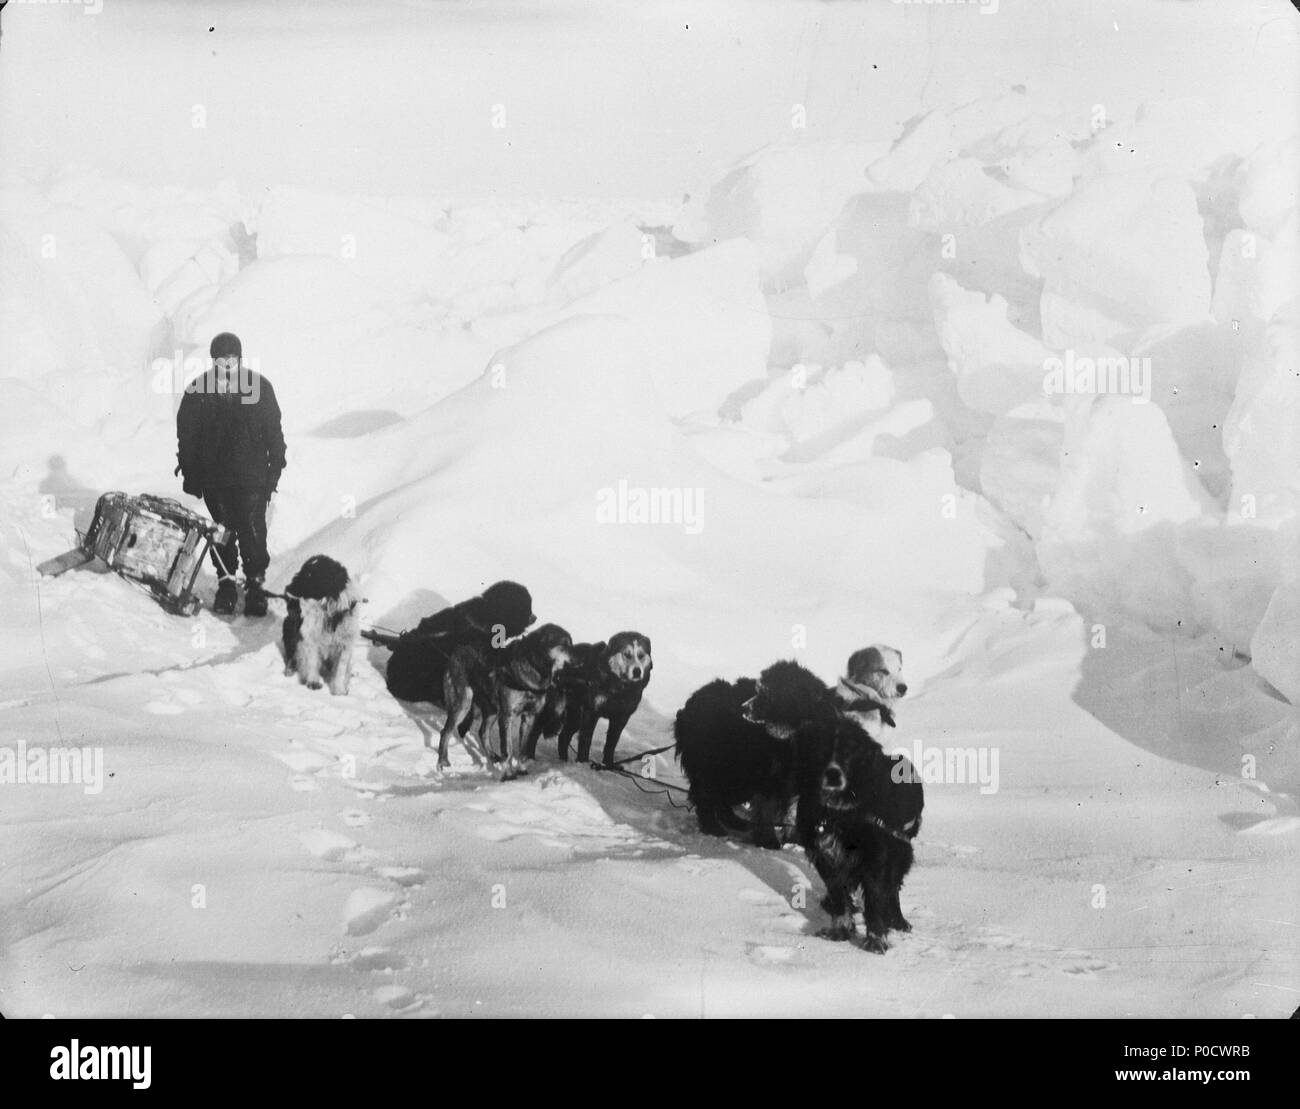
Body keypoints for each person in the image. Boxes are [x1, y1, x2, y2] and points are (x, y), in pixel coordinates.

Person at [175, 332, 286, 616]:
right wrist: (190, 472)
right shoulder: (197, 391)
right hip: (215, 478)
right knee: (222, 531)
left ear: (240, 359)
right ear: (213, 361)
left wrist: (275, 469)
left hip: (252, 477)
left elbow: (274, 432)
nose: (227, 364)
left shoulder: (259, 388)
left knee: (252, 530)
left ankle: (255, 586)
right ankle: (226, 584)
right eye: (221, 359)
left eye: (232, 359)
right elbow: (187, 436)